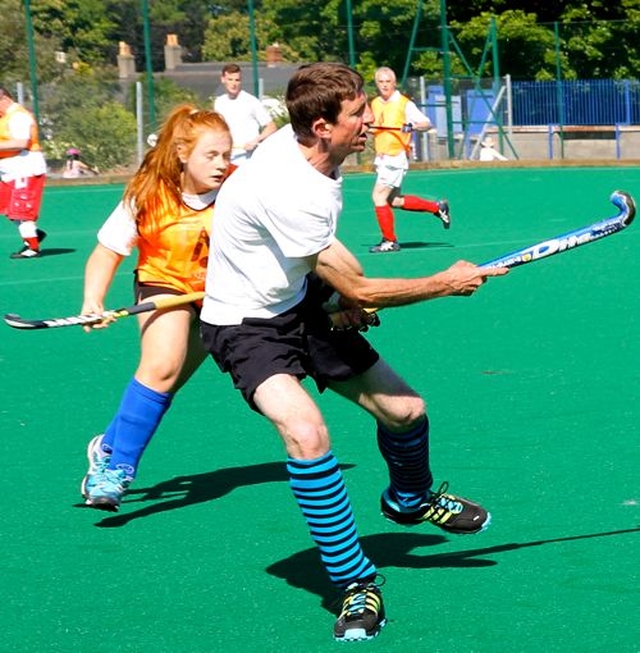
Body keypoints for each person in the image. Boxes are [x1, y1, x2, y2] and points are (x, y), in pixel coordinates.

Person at [200, 62, 509, 642]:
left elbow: (346, 278)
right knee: (306, 433)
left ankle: (410, 500)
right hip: (245, 325)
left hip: (298, 300)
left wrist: (339, 295)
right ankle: (354, 583)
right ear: (321, 126)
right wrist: (446, 282)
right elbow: (364, 290)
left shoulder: (304, 156)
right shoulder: (290, 188)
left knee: (407, 412)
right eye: (359, 113)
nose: (371, 120)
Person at [79, 104, 234, 511]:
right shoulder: (149, 191)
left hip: (219, 297)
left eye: (226, 154)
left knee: (165, 384)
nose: (222, 164)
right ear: (183, 154)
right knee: (161, 367)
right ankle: (116, 471)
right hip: (162, 284)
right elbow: (108, 251)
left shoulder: (241, 188)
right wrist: (93, 300)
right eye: (211, 155)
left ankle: (108, 444)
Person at [369, 66, 449, 254]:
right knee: (394, 200)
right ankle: (437, 208)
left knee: (378, 196)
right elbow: (376, 128)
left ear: (394, 83)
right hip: (382, 157)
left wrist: (411, 126)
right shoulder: (375, 103)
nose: (384, 85)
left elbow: (426, 123)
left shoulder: (404, 103)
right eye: (381, 82)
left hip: (395, 156)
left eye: (388, 82)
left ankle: (389, 241)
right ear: (376, 83)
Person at [0, 85, 48, 259]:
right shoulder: (4, 118)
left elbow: (20, 143)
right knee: (7, 208)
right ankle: (33, 233)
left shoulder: (18, 116)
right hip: (9, 172)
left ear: (3, 98)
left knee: (21, 210)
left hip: (25, 170)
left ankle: (33, 247)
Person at [213, 63, 277, 165]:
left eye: (237, 80)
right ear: (223, 79)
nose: (234, 83)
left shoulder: (250, 101)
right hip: (227, 159)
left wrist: (255, 141)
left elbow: (271, 127)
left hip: (247, 160)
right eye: (230, 79)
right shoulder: (219, 102)